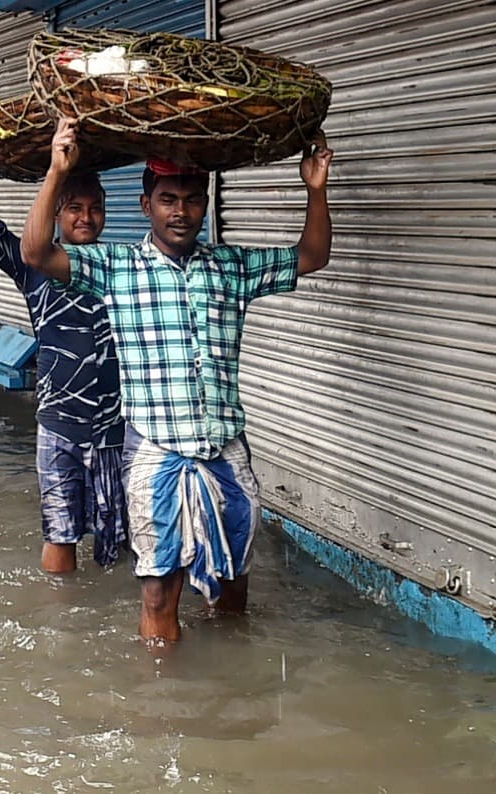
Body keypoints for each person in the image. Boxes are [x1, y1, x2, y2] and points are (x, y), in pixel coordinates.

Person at [21, 118, 334, 642]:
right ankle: (164, 688)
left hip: (224, 449)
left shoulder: (231, 266)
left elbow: (312, 256)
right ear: (146, 205)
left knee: (234, 587)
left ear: (206, 206)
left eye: (191, 200)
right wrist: (56, 171)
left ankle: (227, 677)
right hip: (154, 451)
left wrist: (316, 189)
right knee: (158, 592)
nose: (180, 212)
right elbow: (36, 253)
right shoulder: (117, 266)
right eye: (168, 199)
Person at [0, 112, 126, 573]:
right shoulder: (35, 269)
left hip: (116, 429)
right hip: (59, 428)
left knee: (118, 550)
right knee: (59, 539)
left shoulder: (123, 267)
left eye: (95, 207)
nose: (86, 217)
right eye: (74, 208)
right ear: (57, 213)